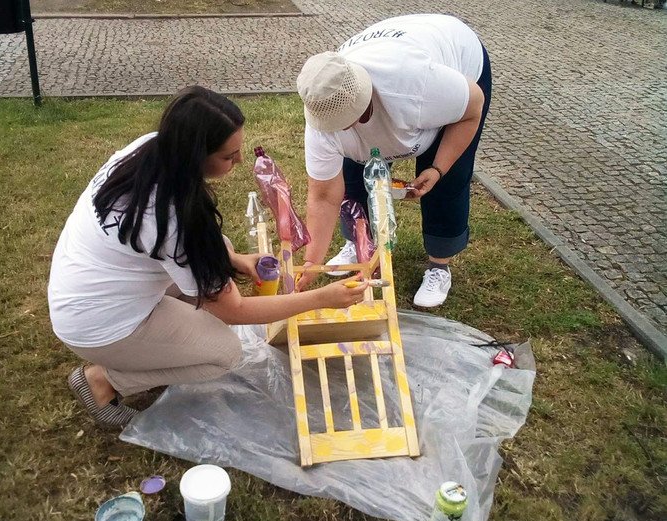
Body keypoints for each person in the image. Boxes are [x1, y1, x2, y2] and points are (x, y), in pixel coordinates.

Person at [48, 86, 367, 429]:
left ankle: (154, 336)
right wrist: (320, 299)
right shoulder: (174, 221)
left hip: (83, 290)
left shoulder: (150, 148)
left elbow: (199, 245)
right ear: (196, 155)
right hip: (100, 327)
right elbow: (236, 310)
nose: (239, 161)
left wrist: (235, 260)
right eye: (229, 156)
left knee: (221, 245)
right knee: (224, 353)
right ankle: (103, 379)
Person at [295, 14, 492, 307]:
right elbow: (323, 196)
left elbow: (473, 108)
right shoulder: (323, 111)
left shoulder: (417, 86)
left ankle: (439, 265)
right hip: (396, 47)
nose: (344, 128)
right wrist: (312, 262)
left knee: (448, 181)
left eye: (351, 119)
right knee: (354, 174)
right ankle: (358, 242)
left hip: (456, 59)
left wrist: (438, 168)